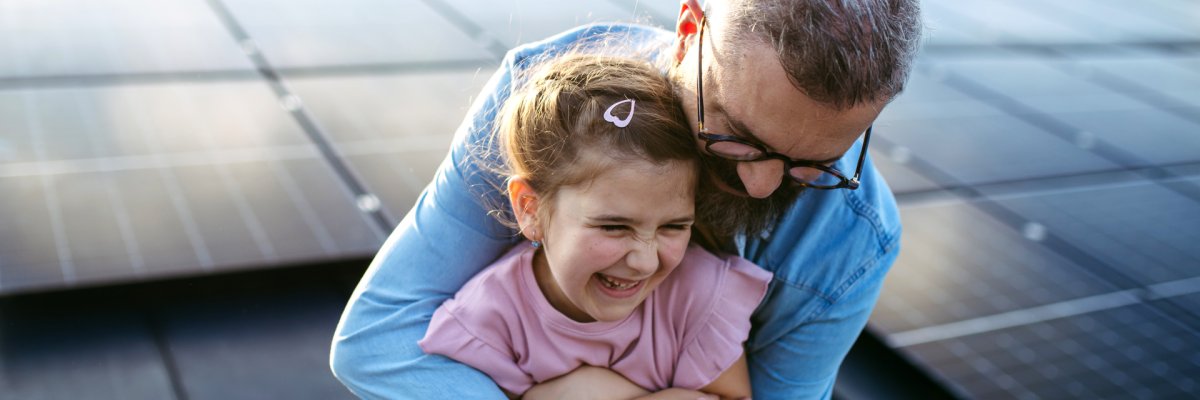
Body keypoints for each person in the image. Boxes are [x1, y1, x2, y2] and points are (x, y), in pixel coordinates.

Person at [331, 0, 922, 398]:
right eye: (737, 136)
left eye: (813, 164)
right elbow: (378, 340)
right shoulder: (546, 100)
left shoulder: (855, 242)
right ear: (689, 32)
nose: (761, 185)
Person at [417, 54, 771, 399]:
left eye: (674, 227)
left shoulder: (697, 294)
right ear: (531, 209)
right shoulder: (487, 322)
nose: (645, 262)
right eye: (614, 227)